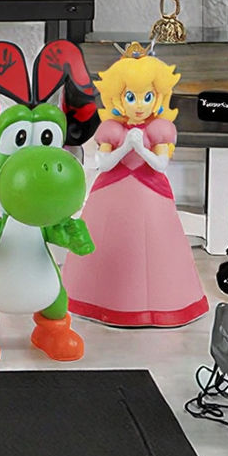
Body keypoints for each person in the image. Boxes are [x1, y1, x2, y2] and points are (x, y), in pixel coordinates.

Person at [62, 42, 209, 327]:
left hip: (150, 194)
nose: (139, 105)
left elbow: (160, 164)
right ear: (118, 98)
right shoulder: (111, 129)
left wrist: (140, 148)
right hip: (111, 193)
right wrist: (125, 147)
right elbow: (103, 164)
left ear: (158, 97)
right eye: (131, 97)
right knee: (106, 242)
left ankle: (160, 305)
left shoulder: (160, 129)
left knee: (157, 245)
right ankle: (96, 302)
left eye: (147, 97)